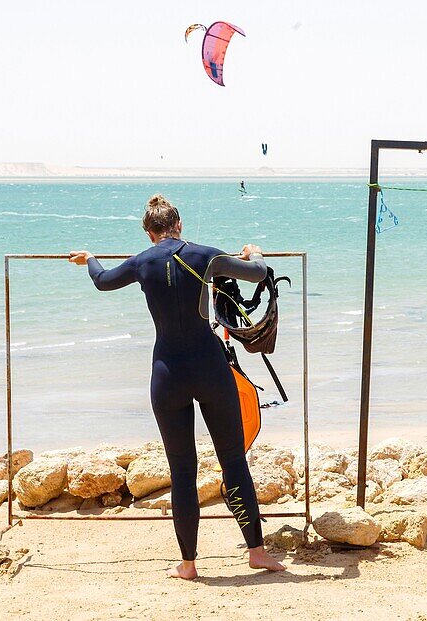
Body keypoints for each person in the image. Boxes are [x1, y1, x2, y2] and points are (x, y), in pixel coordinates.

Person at [69, 195, 284, 580]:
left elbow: (102, 282)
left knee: (182, 471)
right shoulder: (207, 256)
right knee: (233, 460)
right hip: (209, 368)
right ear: (179, 224)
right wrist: (256, 252)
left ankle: (188, 565)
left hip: (167, 373)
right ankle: (256, 552)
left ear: (148, 232)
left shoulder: (141, 262)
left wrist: (90, 259)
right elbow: (257, 273)